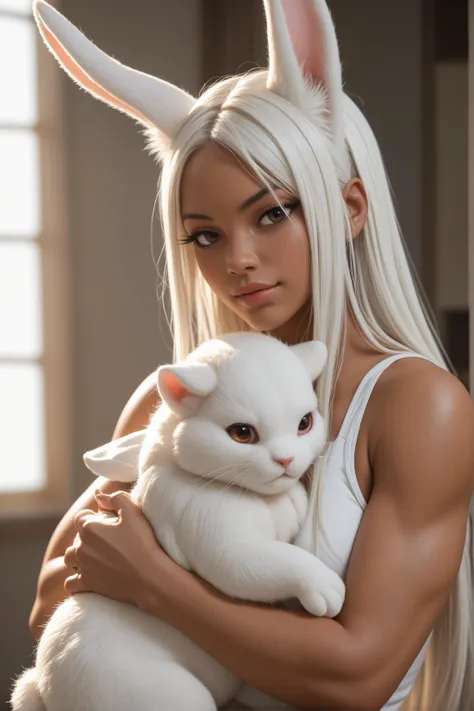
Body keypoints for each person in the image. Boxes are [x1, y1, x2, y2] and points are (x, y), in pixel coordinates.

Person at [30, 1, 474, 710]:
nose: (238, 259)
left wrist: (155, 579)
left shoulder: (419, 407)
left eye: (271, 212)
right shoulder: (174, 399)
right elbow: (55, 602)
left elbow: (356, 673)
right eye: (204, 234)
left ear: (350, 207)